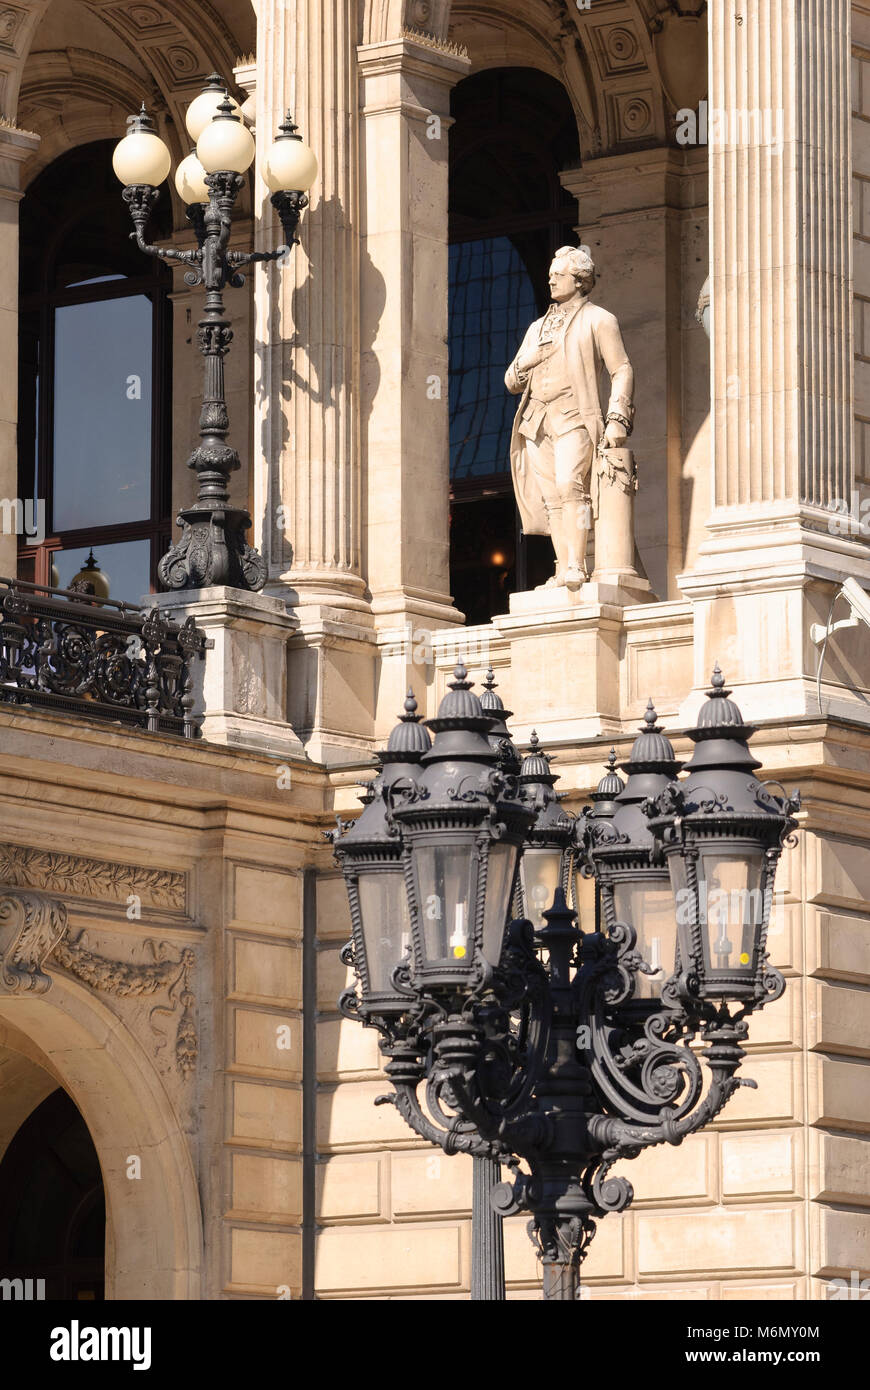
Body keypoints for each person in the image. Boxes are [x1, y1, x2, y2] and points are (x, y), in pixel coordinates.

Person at [505, 246, 634, 587]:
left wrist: (618, 416)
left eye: (557, 275)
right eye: (549, 276)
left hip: (575, 416)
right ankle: (563, 567)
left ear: (579, 281)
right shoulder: (536, 328)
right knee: (551, 499)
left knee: (570, 486)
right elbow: (511, 381)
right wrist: (528, 360)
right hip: (537, 422)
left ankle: (577, 563)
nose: (550, 281)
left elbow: (621, 368)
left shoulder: (599, 319)